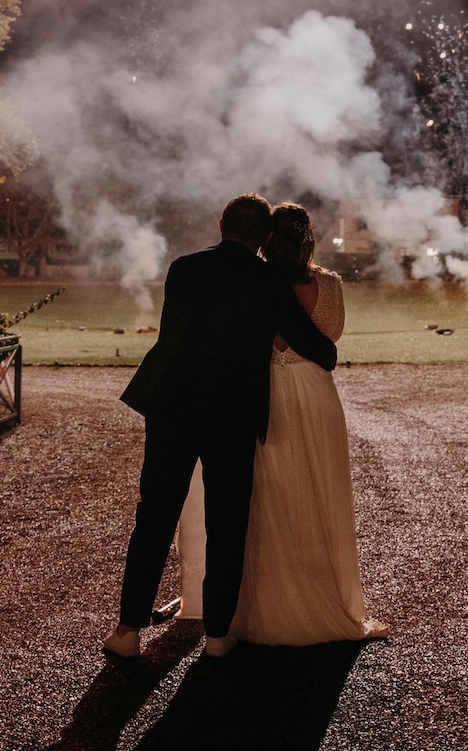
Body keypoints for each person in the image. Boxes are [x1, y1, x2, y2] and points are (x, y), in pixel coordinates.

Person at [104, 193, 338, 661]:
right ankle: (216, 634)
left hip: (173, 403)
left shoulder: (184, 268)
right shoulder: (266, 280)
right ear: (265, 237)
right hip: (232, 411)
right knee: (228, 520)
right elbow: (315, 346)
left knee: (154, 514)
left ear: (220, 224)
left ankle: (128, 630)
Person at [177, 203, 384, 645]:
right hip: (317, 394)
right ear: (308, 238)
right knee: (320, 495)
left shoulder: (258, 280)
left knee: (268, 502)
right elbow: (329, 339)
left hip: (268, 393)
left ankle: (266, 605)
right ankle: (327, 600)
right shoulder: (329, 284)